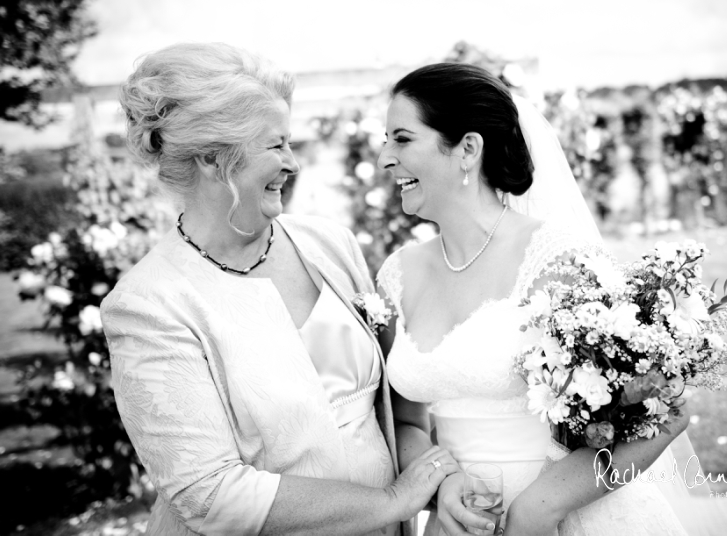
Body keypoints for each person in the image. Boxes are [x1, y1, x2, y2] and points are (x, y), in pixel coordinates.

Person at [100, 42, 462, 536]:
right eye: (276, 145)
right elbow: (210, 496)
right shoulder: (147, 305)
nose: (292, 162)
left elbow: (398, 406)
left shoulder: (329, 244)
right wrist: (391, 501)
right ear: (213, 160)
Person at [376, 63, 701, 536]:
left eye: (402, 139)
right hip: (461, 523)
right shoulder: (397, 274)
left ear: (468, 149)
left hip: (572, 517)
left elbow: (669, 408)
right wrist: (441, 480)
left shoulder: (559, 259)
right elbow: (405, 418)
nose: (386, 157)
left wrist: (539, 510)